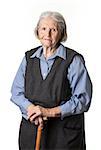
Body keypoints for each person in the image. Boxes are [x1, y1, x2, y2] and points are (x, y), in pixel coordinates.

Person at [11, 11, 92, 150]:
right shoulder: (28, 58)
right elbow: (16, 93)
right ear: (37, 31)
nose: (47, 34)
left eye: (53, 30)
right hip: (31, 131)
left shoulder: (73, 60)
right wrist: (31, 109)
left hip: (64, 134)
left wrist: (47, 112)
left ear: (61, 33)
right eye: (43, 29)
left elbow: (83, 100)